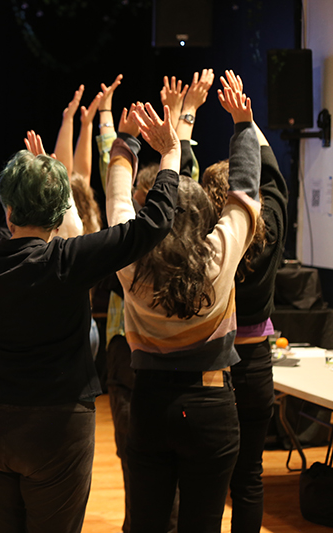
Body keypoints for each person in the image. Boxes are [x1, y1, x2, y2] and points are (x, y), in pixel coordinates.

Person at [0, 101, 179, 532]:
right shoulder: (70, 261)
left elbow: (27, 235)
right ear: (61, 208)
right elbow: (151, 225)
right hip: (55, 428)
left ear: (7, 210)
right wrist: (168, 157)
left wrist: (40, 179)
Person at [106, 72, 261, 533]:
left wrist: (127, 143)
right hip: (211, 407)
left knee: (149, 523)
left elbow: (118, 196)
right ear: (205, 220)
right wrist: (244, 127)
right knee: (203, 525)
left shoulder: (132, 262)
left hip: (149, 405)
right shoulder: (218, 256)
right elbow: (246, 193)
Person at [200, 71, 288, 533]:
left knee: (209, 481)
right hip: (256, 368)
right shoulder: (268, 226)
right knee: (249, 478)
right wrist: (245, 125)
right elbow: (274, 186)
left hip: (213, 372)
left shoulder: (206, 245)